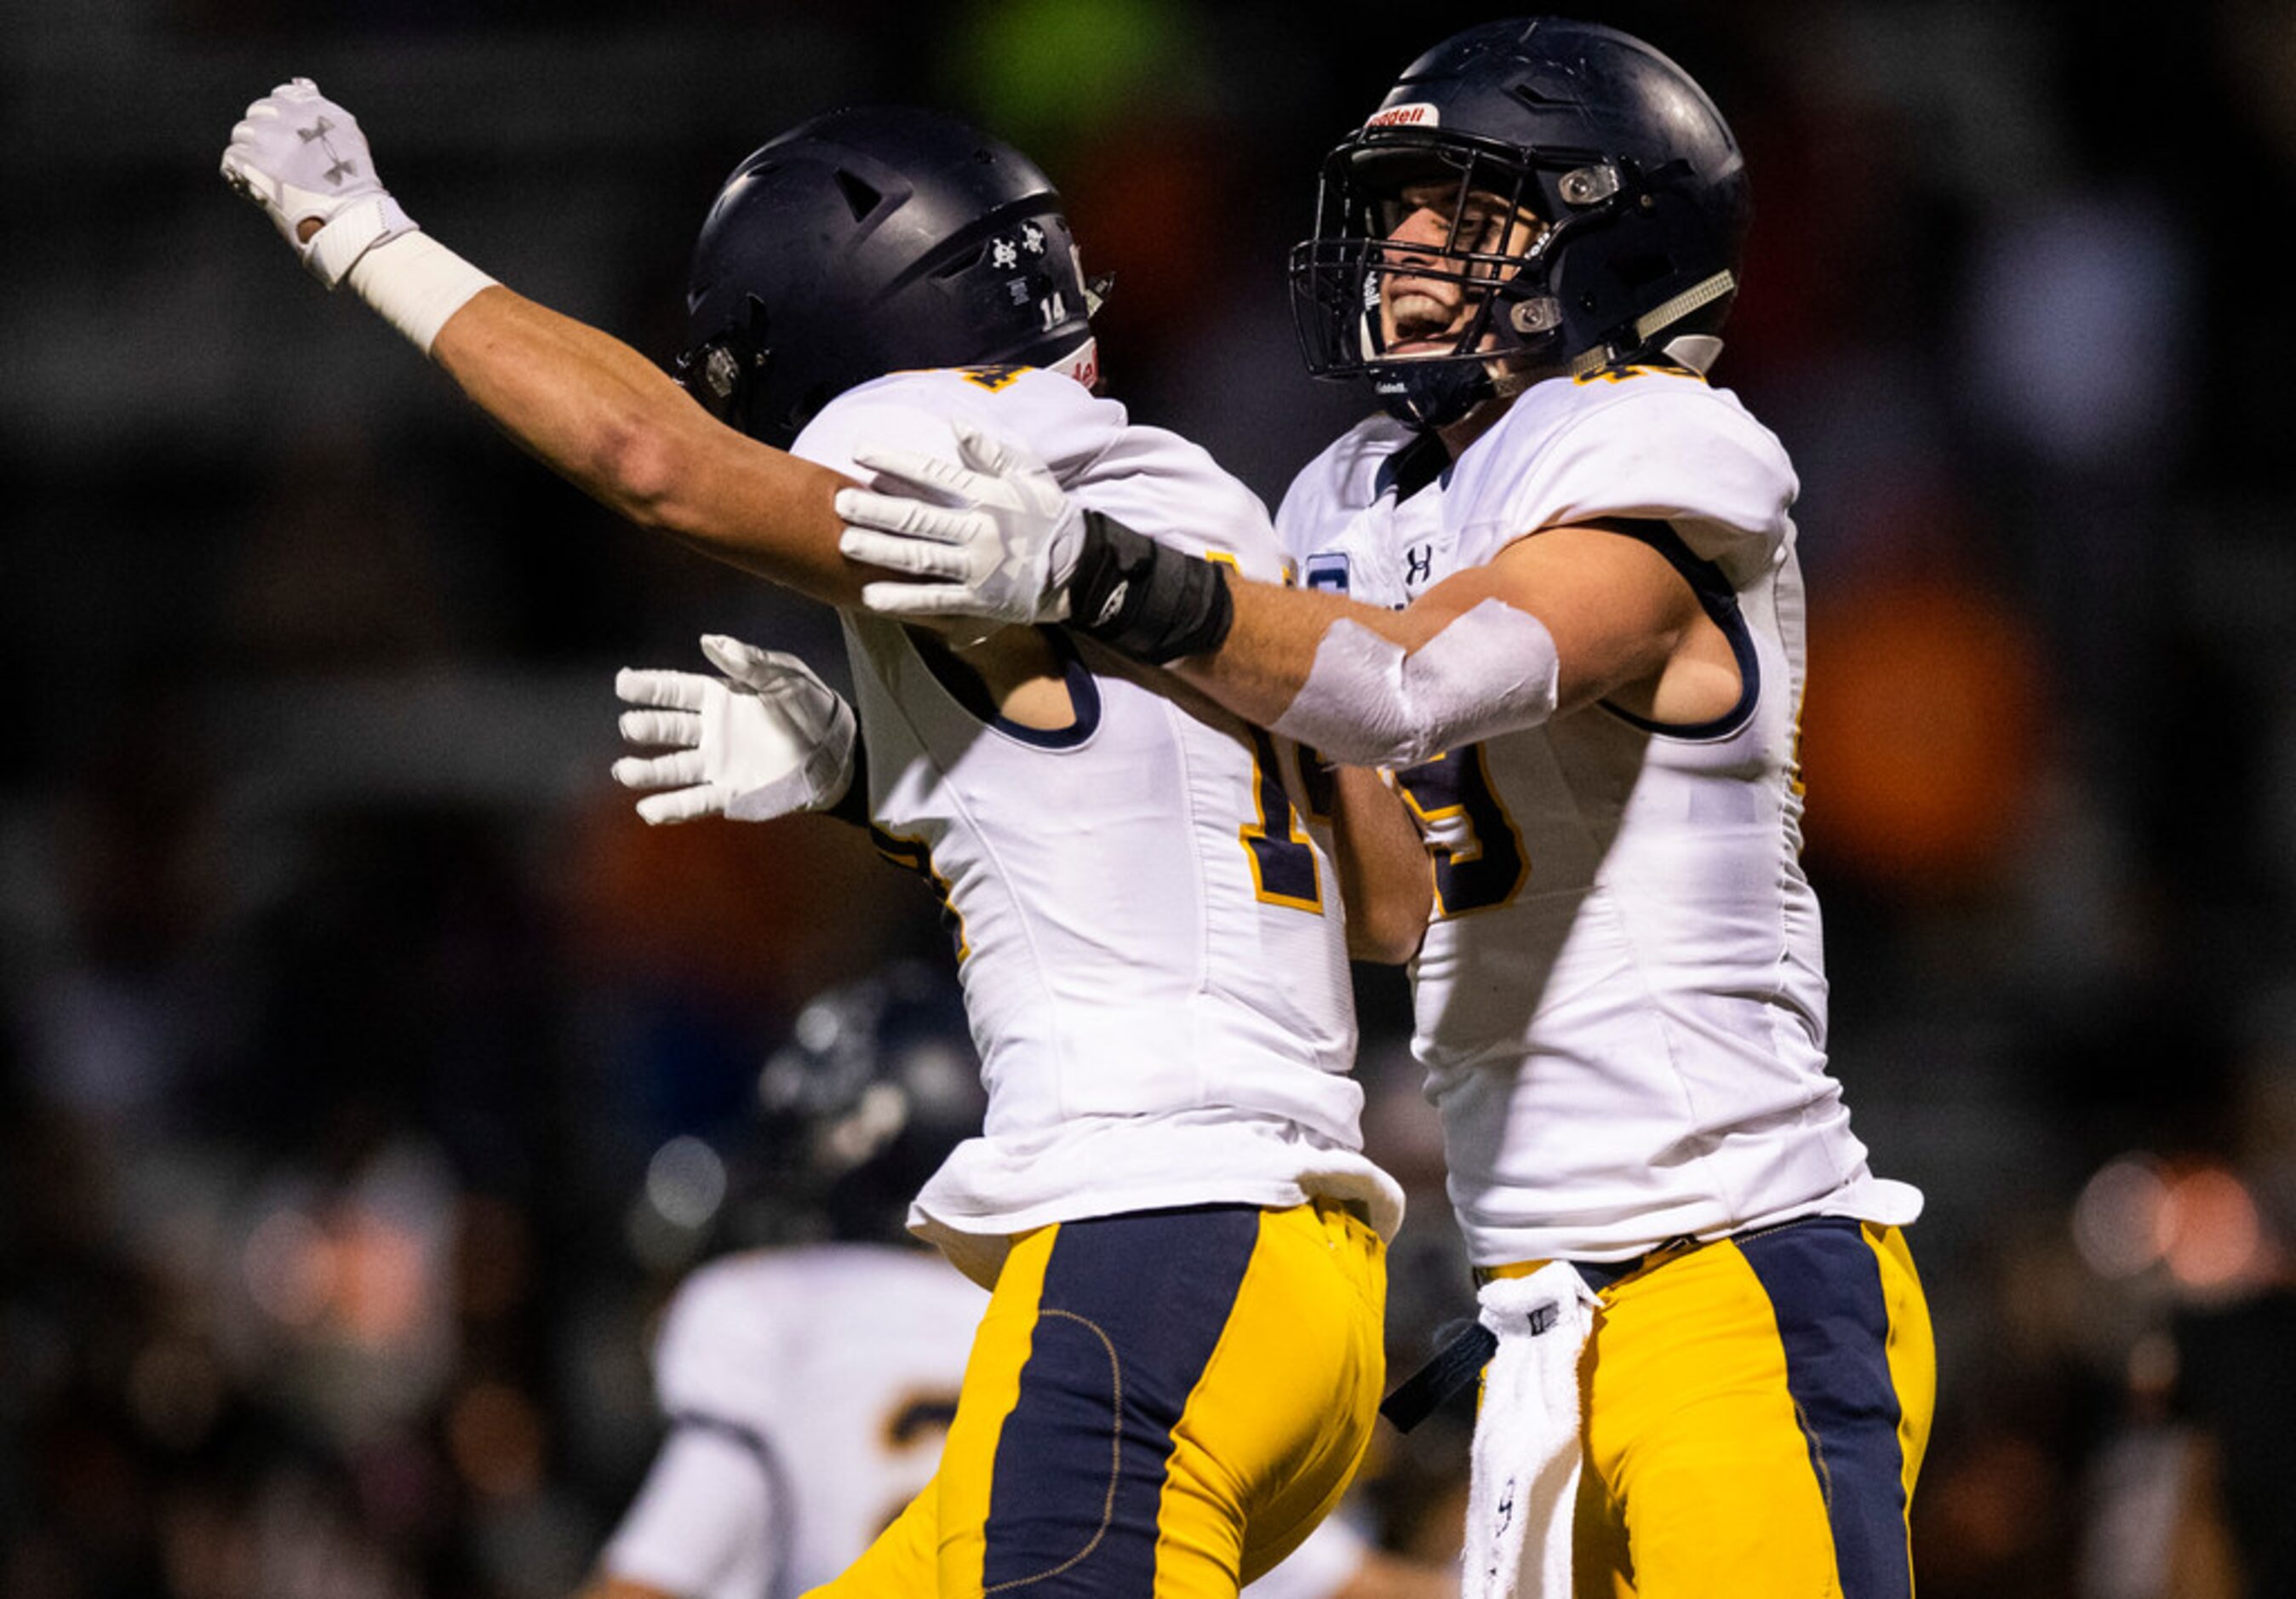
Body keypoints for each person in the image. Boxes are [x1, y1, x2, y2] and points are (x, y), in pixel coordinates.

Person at [222, 87, 1418, 1596]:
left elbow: (651, 461)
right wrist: (870, 774)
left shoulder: (924, 435)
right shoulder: (1202, 508)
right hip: (1297, 1287)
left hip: (1149, 1249)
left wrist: (369, 239)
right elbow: (1383, 899)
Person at [827, 20, 1938, 1598]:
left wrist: (1102, 568)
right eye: (1401, 205)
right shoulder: (1348, 497)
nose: (1408, 245)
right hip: (1534, 1301)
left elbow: (1418, 684)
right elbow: (1386, 897)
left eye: (1467, 213)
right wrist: (885, 777)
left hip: (1735, 1259)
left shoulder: (1659, 443)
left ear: (1612, 243)